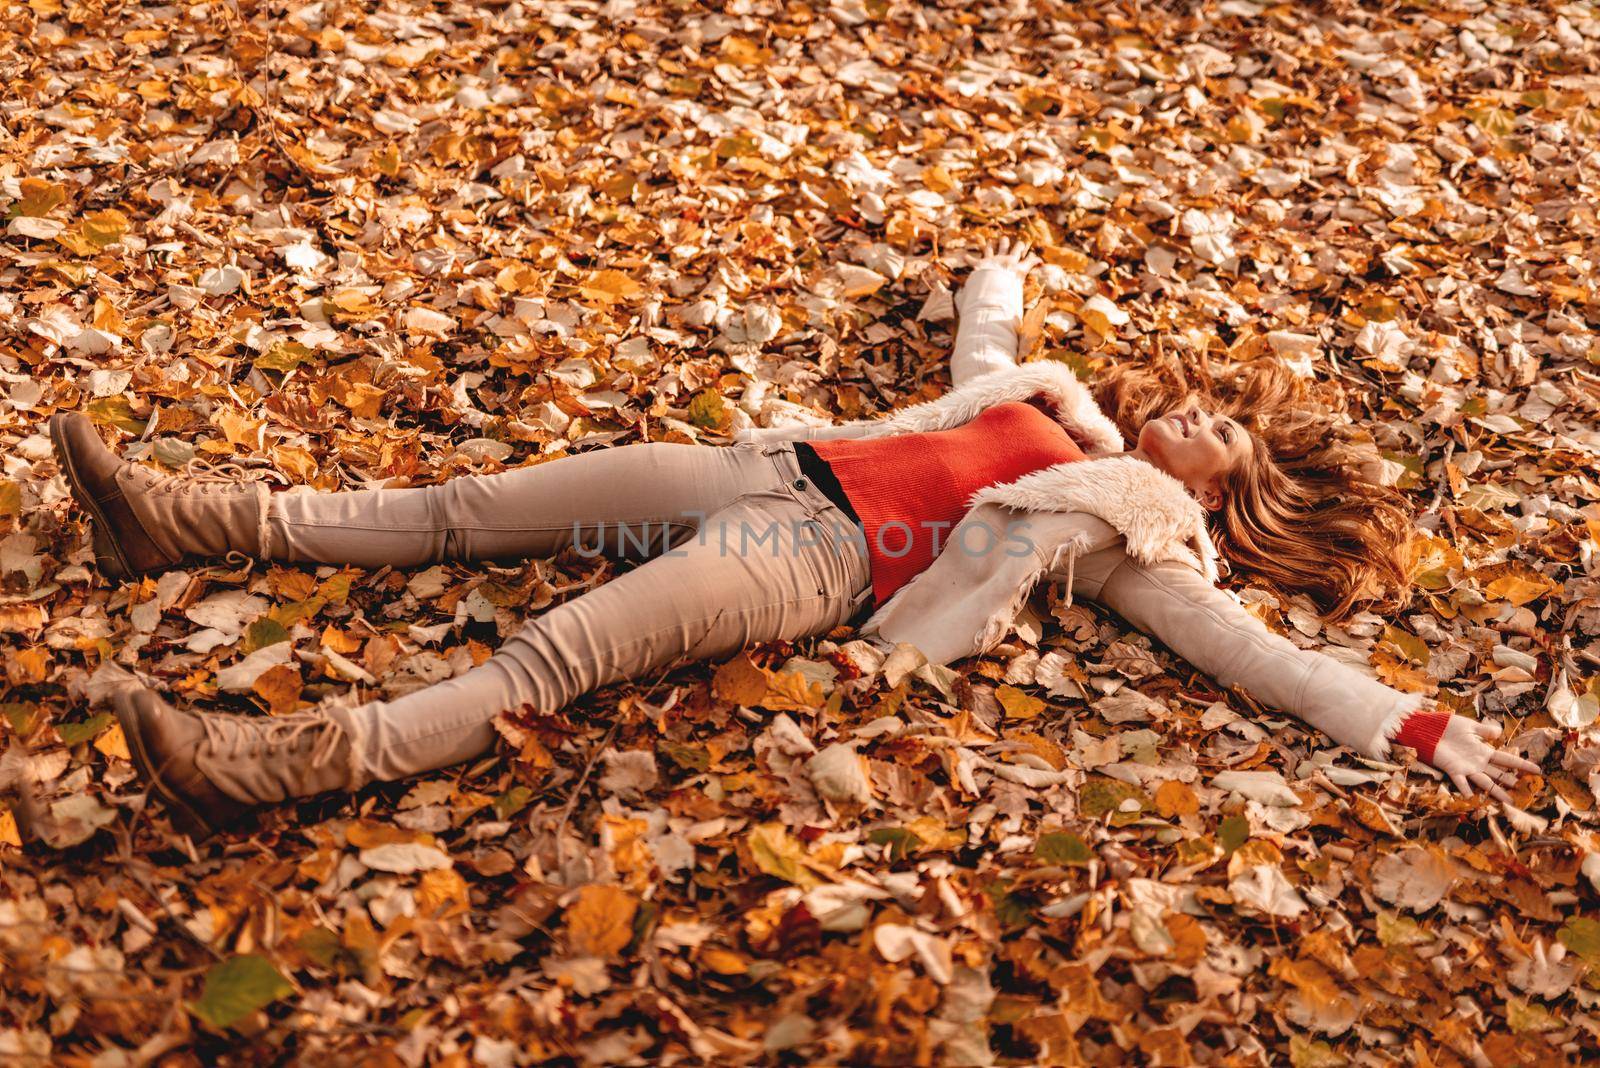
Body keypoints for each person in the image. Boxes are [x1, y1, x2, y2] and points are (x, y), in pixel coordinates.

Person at [49, 241, 1537, 841]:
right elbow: (985, 337)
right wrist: (996, 273)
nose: (1200, 413)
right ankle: (174, 525)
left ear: (1228, 497)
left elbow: (1250, 654)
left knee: (549, 656)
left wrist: (1407, 719)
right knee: (469, 510)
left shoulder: (1136, 531)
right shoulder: (1051, 408)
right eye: (1207, 404)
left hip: (806, 568)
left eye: (1228, 430)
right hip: (755, 473)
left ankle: (267, 767)